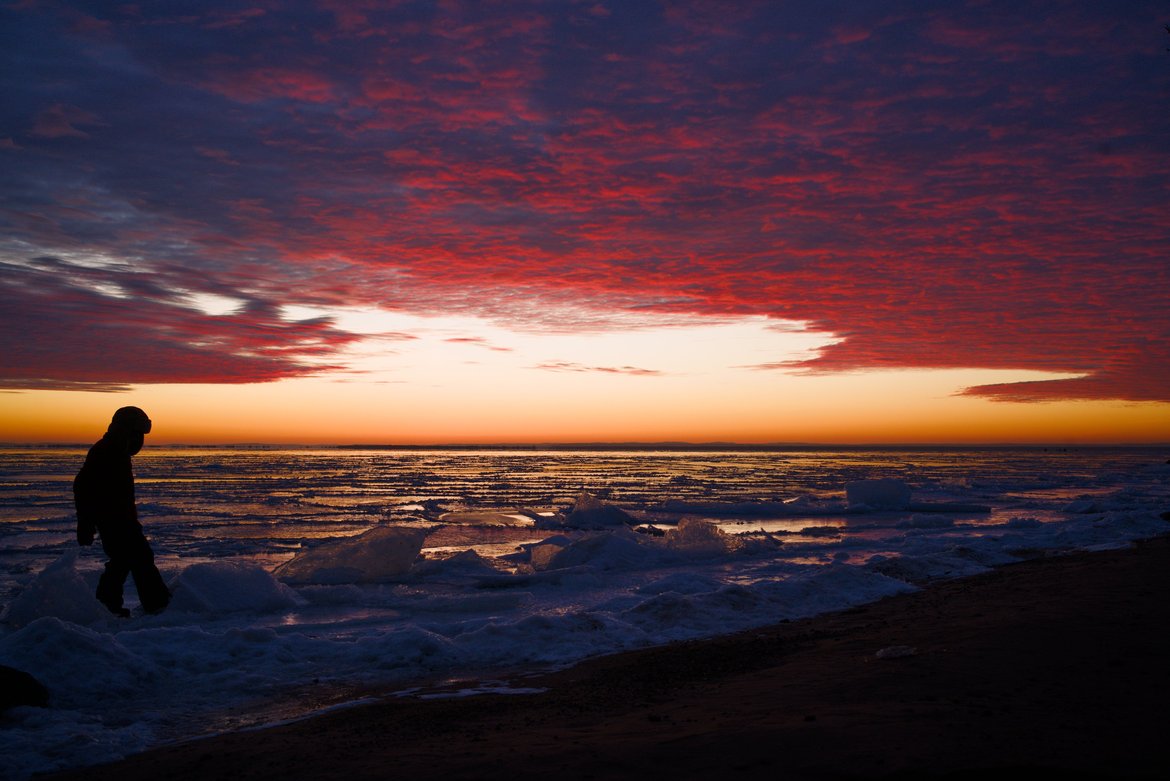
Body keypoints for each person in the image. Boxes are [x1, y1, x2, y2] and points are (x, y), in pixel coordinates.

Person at [73, 406, 171, 617]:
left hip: (121, 518)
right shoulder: (107, 451)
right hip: (114, 520)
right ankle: (156, 605)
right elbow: (83, 486)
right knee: (137, 558)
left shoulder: (117, 451)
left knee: (123, 561)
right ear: (127, 429)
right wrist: (86, 523)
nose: (140, 439)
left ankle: (108, 606)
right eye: (138, 432)